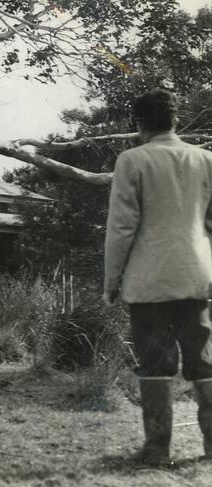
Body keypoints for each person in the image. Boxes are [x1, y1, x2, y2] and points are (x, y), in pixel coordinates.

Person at [104, 87, 212, 466]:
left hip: (148, 281)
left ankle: (156, 449)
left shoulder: (132, 160)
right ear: (176, 120)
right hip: (196, 277)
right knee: (204, 362)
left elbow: (121, 227)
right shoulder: (206, 160)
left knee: (154, 363)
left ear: (140, 124)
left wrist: (111, 281)